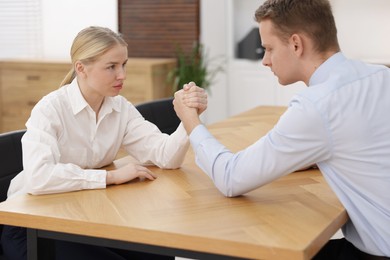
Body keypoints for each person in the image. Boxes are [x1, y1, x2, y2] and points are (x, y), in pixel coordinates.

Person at [173, 0, 390, 259]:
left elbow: (231, 178)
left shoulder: (316, 106)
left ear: (296, 44)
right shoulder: (380, 75)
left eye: (268, 48)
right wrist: (314, 158)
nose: (265, 60)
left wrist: (191, 121)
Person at [1, 26, 207, 260]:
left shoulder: (120, 108)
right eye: (111, 67)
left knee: (157, 254)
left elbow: (166, 156)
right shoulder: (50, 110)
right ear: (81, 68)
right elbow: (39, 178)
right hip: (32, 227)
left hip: (83, 217)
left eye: (124, 65)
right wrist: (109, 177)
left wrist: (189, 117)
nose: (122, 75)